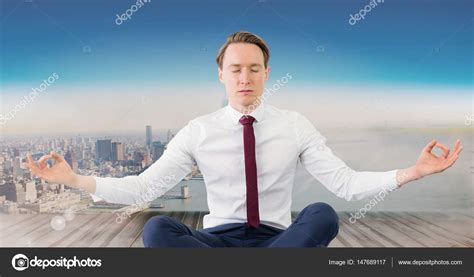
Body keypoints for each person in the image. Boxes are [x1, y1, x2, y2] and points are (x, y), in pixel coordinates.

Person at [25, 31, 463, 248]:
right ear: (221, 75)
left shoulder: (294, 124)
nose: (245, 77)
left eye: (254, 68)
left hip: (277, 237)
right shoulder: (199, 130)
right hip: (216, 240)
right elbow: (144, 188)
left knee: (324, 214)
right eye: (236, 69)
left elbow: (346, 185)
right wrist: (76, 180)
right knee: (157, 228)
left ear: (267, 74)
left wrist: (414, 172)